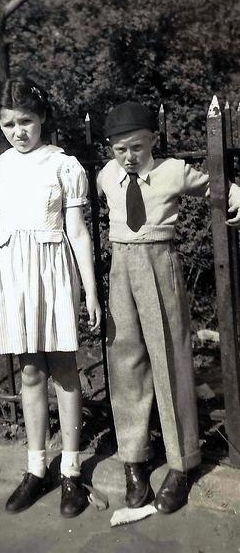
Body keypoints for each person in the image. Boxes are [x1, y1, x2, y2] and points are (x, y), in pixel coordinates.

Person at [97, 101, 240, 514]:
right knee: (124, 364)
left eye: (137, 147)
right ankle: (133, 461)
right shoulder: (107, 176)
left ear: (153, 140)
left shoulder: (173, 170)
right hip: (120, 267)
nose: (128, 156)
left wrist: (237, 195)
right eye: (119, 148)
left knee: (171, 361)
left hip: (160, 264)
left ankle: (181, 464)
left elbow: (215, 184)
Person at [0, 76, 101, 518]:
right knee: (30, 372)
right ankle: (36, 469)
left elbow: (79, 232)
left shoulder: (63, 167)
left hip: (53, 273)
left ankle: (70, 471)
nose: (18, 131)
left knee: (64, 369)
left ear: (42, 118)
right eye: (9, 124)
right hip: (13, 279)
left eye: (26, 121)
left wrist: (91, 292)